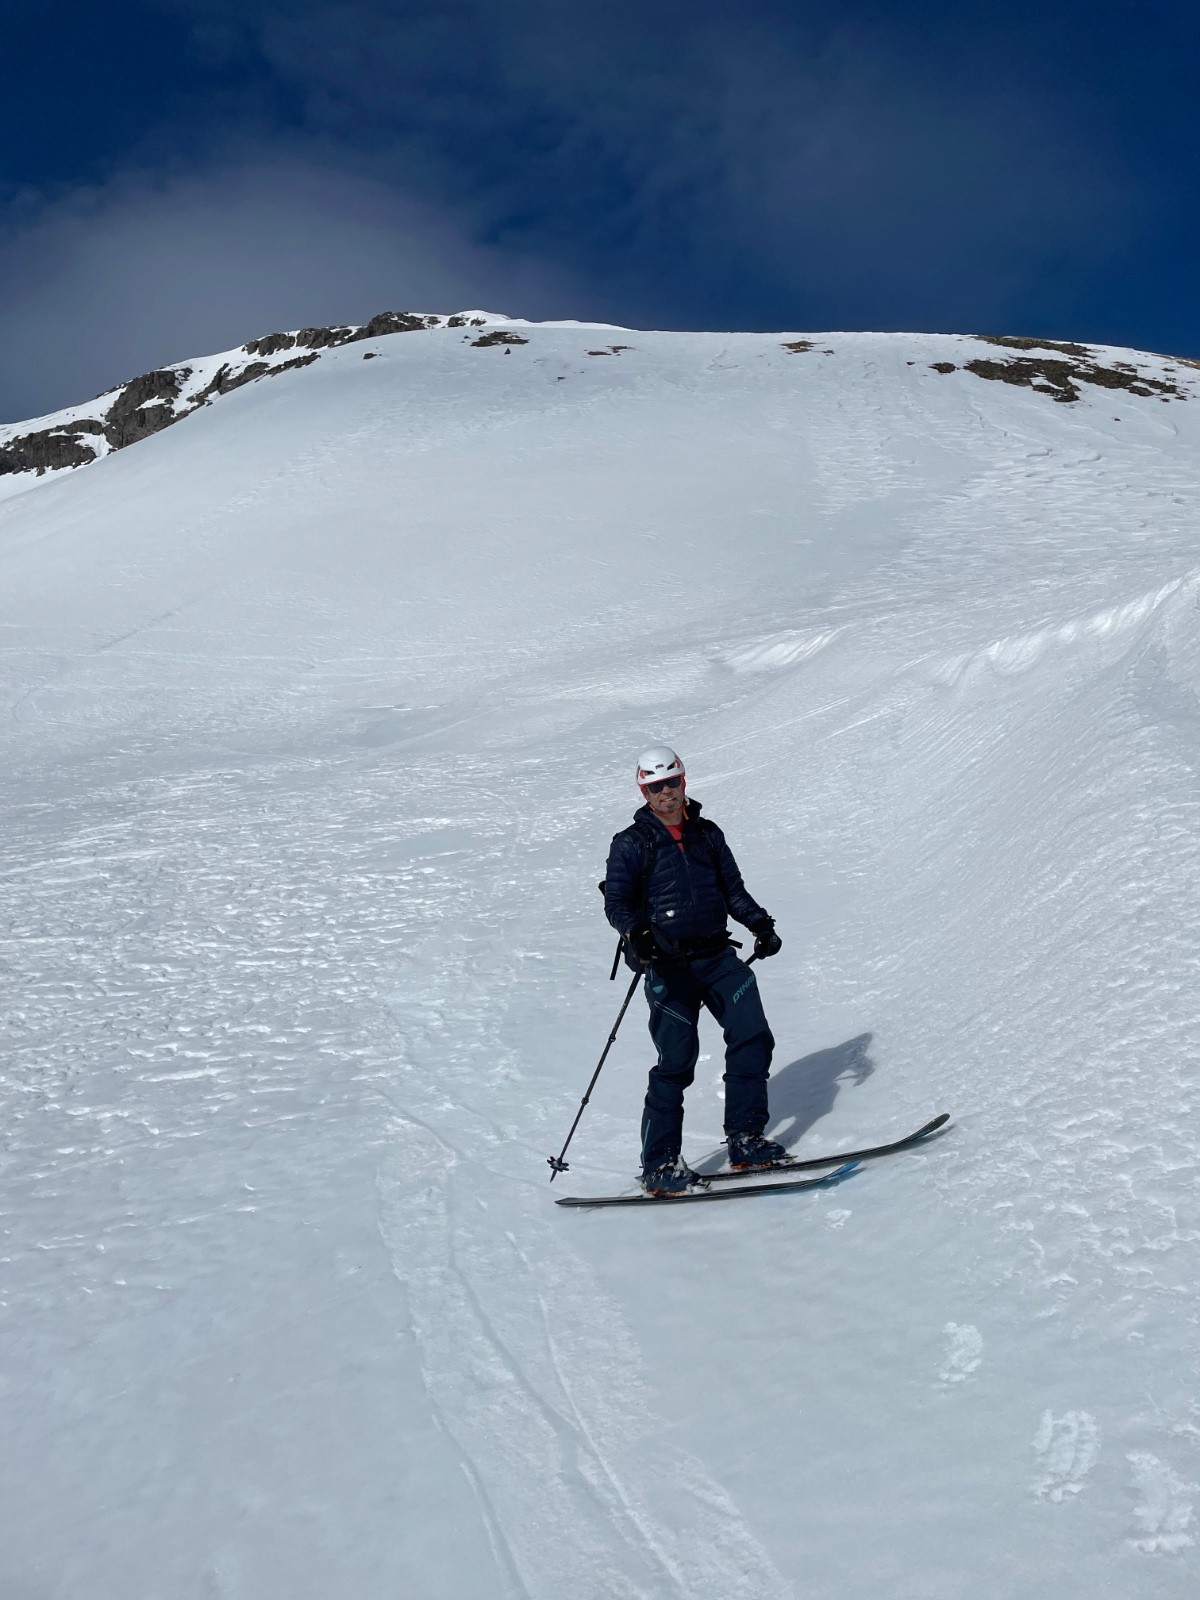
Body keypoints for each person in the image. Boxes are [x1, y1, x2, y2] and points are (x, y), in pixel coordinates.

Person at [603, 745, 786, 1194]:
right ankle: (660, 1165)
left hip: (717, 957)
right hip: (668, 966)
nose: (666, 792)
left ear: (684, 781)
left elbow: (732, 890)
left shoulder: (707, 834)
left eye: (672, 782)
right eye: (655, 786)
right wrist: (638, 933)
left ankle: (745, 1137)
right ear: (644, 792)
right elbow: (617, 903)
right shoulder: (631, 843)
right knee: (676, 1063)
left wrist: (760, 923)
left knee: (752, 1036)